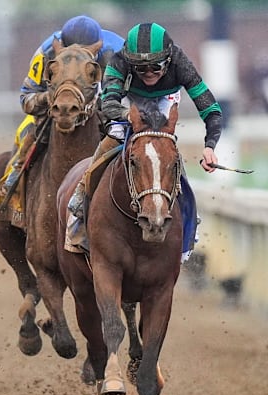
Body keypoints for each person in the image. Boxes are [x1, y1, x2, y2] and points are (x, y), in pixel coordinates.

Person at [65, 22, 223, 250]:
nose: (149, 73)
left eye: (156, 67)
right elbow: (108, 104)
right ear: (131, 63)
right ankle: (79, 204)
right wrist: (130, 115)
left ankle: (188, 224)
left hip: (165, 101)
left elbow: (211, 110)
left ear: (168, 60)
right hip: (129, 102)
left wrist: (210, 146)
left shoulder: (180, 62)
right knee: (109, 142)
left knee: (168, 155)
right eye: (141, 68)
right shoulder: (119, 60)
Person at [0, 15, 124, 209]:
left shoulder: (117, 53)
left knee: (132, 134)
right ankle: (15, 175)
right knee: (27, 129)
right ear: (60, 49)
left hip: (104, 102)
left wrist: (103, 106)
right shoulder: (47, 52)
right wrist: (51, 98)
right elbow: (26, 98)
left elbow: (129, 98)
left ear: (97, 51)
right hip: (55, 104)